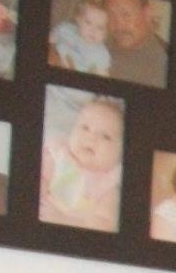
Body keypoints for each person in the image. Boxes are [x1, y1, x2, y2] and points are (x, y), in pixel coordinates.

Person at [38, 92, 124, 231]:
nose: (91, 137)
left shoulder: (108, 187)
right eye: (85, 128)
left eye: (106, 136)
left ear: (120, 153)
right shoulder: (57, 156)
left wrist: (64, 220)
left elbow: (106, 225)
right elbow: (40, 179)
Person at [99, 0, 167, 87]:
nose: (118, 25)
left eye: (126, 15)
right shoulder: (96, 40)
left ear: (147, 14)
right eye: (110, 15)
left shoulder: (160, 69)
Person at [49, 0, 112, 75]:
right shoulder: (65, 29)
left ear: (106, 32)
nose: (93, 30)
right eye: (88, 22)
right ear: (78, 19)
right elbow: (50, 41)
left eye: (100, 27)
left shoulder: (100, 53)